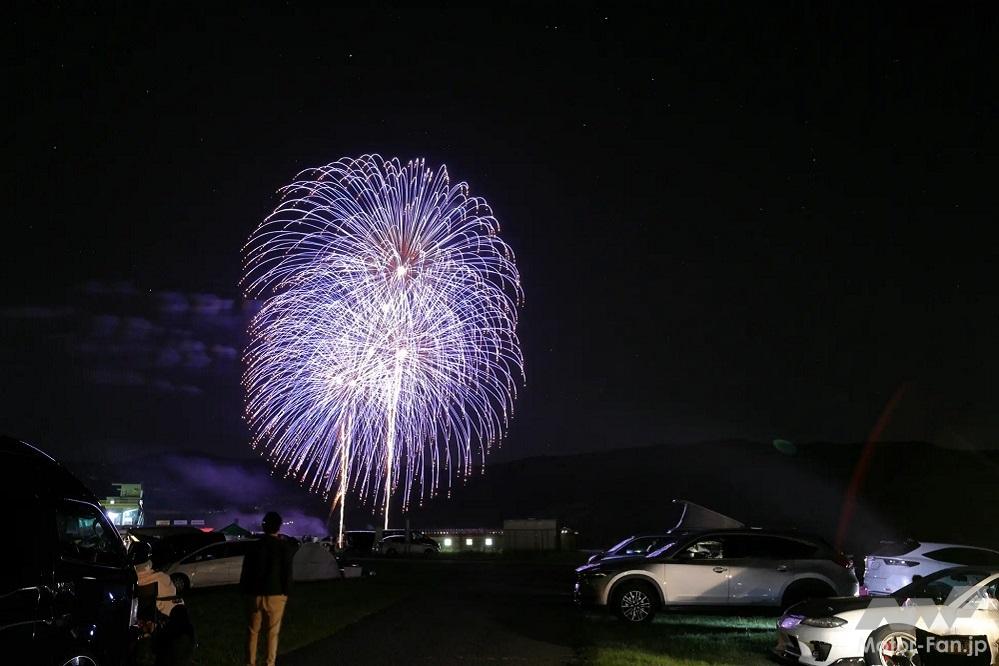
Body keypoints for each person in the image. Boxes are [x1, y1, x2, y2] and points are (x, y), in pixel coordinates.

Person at [240, 511, 298, 666]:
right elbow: (287, 573)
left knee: (252, 631)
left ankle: (250, 662)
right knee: (272, 633)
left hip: (254, 594)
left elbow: (246, 571)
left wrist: (244, 591)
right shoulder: (284, 547)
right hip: (276, 594)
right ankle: (269, 663)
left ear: (263, 526)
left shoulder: (253, 546)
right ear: (279, 527)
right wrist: (287, 593)